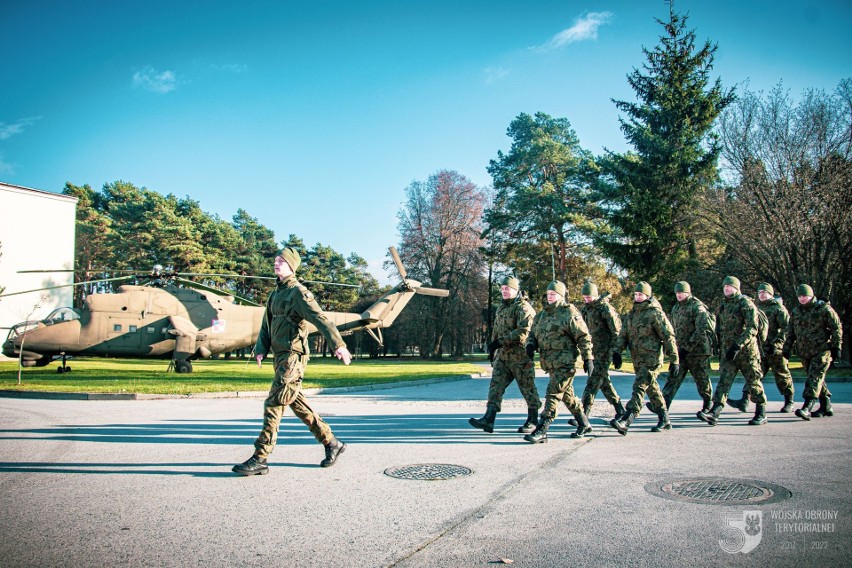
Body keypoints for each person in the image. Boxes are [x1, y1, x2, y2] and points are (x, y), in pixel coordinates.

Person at [233, 247, 352, 476]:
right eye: (276, 260)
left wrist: (339, 345)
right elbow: (266, 324)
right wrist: (260, 348)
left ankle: (260, 457)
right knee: (297, 404)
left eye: (281, 261)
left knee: (274, 403)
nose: (276, 263)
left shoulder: (299, 292)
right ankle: (332, 443)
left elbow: (319, 318)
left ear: (291, 266)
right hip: (280, 357)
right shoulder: (275, 294)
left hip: (293, 357)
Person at [523, 281, 594, 443]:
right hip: (550, 363)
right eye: (548, 294)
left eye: (553, 294)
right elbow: (532, 334)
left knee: (553, 394)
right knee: (568, 396)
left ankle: (542, 428)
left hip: (565, 362)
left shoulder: (569, 312)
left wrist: (588, 358)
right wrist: (530, 344)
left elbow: (583, 336)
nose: (549, 297)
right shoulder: (541, 315)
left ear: (561, 296)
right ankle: (584, 423)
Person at [470, 276, 540, 434]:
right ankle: (489, 419)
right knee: (495, 386)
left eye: (507, 289)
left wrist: (500, 342)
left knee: (527, 388)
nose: (504, 292)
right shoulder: (501, 308)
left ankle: (533, 420)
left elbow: (525, 332)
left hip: (521, 356)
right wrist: (493, 347)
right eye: (502, 289)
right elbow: (497, 329)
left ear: (516, 290)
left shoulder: (524, 308)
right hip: (503, 356)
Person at [609, 282, 678, 435]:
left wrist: (674, 359)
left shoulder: (655, 313)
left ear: (647, 296)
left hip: (652, 359)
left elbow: (668, 336)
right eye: (636, 294)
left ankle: (627, 419)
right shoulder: (632, 314)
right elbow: (623, 335)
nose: (638, 297)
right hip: (637, 359)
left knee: (639, 387)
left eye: (641, 294)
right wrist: (617, 352)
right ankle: (665, 419)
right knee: (652, 389)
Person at [698, 276, 767, 427]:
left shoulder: (745, 303)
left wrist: (738, 345)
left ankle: (761, 412)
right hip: (728, 351)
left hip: (747, 352)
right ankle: (715, 411)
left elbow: (752, 328)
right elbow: (720, 327)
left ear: (736, 288)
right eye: (725, 286)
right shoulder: (723, 304)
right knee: (724, 381)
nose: (727, 288)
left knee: (753, 381)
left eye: (730, 286)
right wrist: (718, 344)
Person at [727, 283, 795, 413]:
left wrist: (777, 344)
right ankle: (744, 400)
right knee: (753, 376)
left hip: (774, 350)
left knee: (782, 375)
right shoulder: (755, 307)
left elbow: (787, 328)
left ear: (770, 293)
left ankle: (789, 401)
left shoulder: (778, 309)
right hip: (759, 349)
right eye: (760, 292)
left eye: (765, 292)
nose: (762, 294)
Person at [783, 284, 843, 420]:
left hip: (822, 350)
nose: (802, 298)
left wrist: (836, 347)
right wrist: (787, 348)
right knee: (816, 379)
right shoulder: (796, 312)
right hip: (804, 352)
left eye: (805, 296)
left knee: (814, 378)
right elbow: (790, 332)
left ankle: (807, 407)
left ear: (811, 296)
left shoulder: (823, 309)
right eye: (800, 296)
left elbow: (836, 328)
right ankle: (826, 406)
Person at [660, 281, 714, 413]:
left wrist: (688, 347)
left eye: (682, 293)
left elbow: (702, 329)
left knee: (701, 379)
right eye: (677, 293)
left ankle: (708, 403)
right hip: (681, 351)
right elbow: (673, 329)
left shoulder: (697, 306)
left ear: (688, 292)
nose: (679, 295)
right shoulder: (676, 308)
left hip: (698, 351)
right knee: (674, 377)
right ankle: (663, 405)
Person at [576, 282, 626, 422]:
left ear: (595, 295)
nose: (587, 300)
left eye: (589, 297)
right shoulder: (586, 310)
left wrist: (617, 351)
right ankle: (620, 409)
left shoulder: (605, 308)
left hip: (606, 350)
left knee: (593, 380)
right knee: (603, 381)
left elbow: (617, 331)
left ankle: (584, 413)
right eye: (585, 297)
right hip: (593, 351)